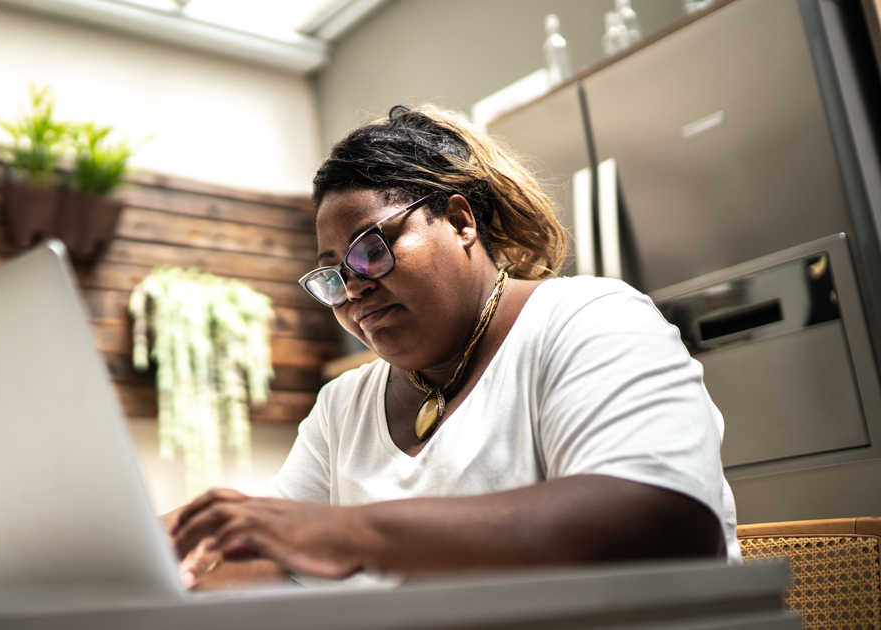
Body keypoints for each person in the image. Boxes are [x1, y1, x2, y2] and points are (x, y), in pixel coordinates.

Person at [169, 105, 738, 589]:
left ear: (461, 221)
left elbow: (663, 523)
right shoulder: (345, 405)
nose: (355, 286)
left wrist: (353, 533)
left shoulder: (590, 321)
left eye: (371, 248)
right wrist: (150, 547)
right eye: (334, 275)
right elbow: (276, 554)